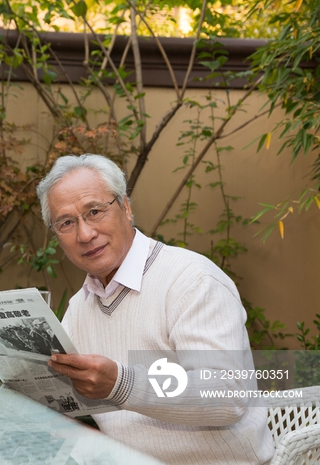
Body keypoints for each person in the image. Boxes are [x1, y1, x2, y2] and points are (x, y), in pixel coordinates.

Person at [36, 154, 274, 464]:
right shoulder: (79, 307)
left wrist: (122, 384)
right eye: (66, 222)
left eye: (94, 211)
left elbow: (226, 396)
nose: (85, 234)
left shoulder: (191, 280)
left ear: (126, 207)